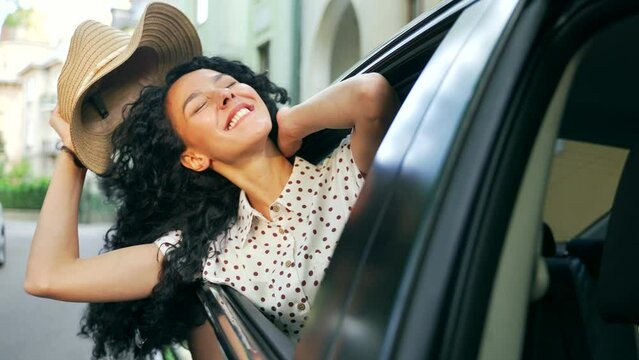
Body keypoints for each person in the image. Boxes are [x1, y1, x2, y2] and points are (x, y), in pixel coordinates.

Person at [25, 7, 398, 360]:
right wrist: (75, 156)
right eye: (199, 106)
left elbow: (371, 96)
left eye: (231, 84)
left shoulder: (344, 170)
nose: (225, 96)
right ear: (194, 157)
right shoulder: (209, 253)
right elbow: (49, 276)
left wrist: (292, 123)